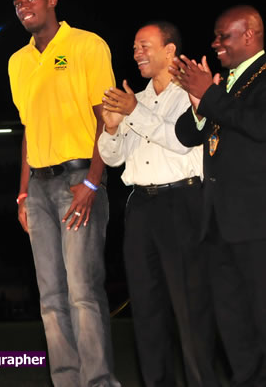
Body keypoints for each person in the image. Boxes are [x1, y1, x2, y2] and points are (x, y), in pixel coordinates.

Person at [8, 0, 119, 386]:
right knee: (51, 300)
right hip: (37, 187)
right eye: (18, 2)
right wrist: (22, 192)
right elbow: (27, 130)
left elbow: (104, 118)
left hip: (78, 179)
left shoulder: (87, 45)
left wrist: (92, 182)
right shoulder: (17, 62)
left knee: (82, 292)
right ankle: (66, 381)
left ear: (53, 1)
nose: (23, 6)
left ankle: (99, 381)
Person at [99, 23, 218, 386]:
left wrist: (134, 111)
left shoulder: (191, 94)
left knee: (190, 311)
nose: (136, 53)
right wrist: (113, 128)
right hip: (140, 209)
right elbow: (112, 157)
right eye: (134, 47)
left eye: (144, 46)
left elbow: (182, 141)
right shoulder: (136, 97)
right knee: (147, 313)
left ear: (170, 51)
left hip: (182, 201)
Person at [172, 5, 266, 386]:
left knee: (260, 317)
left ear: (249, 35)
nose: (215, 43)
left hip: (257, 222)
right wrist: (199, 103)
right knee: (233, 325)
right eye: (214, 35)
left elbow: (257, 124)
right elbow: (189, 134)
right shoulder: (226, 82)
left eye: (223, 35)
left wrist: (208, 94)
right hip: (220, 224)